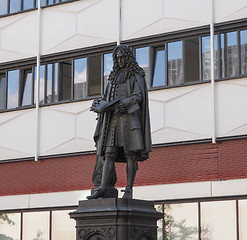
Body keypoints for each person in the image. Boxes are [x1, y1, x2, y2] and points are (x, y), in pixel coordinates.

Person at [87, 44, 152, 199]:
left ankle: (128, 190)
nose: (120, 60)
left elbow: (138, 96)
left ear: (128, 58)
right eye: (118, 58)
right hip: (112, 121)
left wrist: (124, 104)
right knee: (109, 153)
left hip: (129, 120)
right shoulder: (113, 77)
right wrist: (100, 104)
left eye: (123, 57)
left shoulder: (136, 75)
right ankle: (103, 187)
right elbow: (106, 97)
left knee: (130, 154)